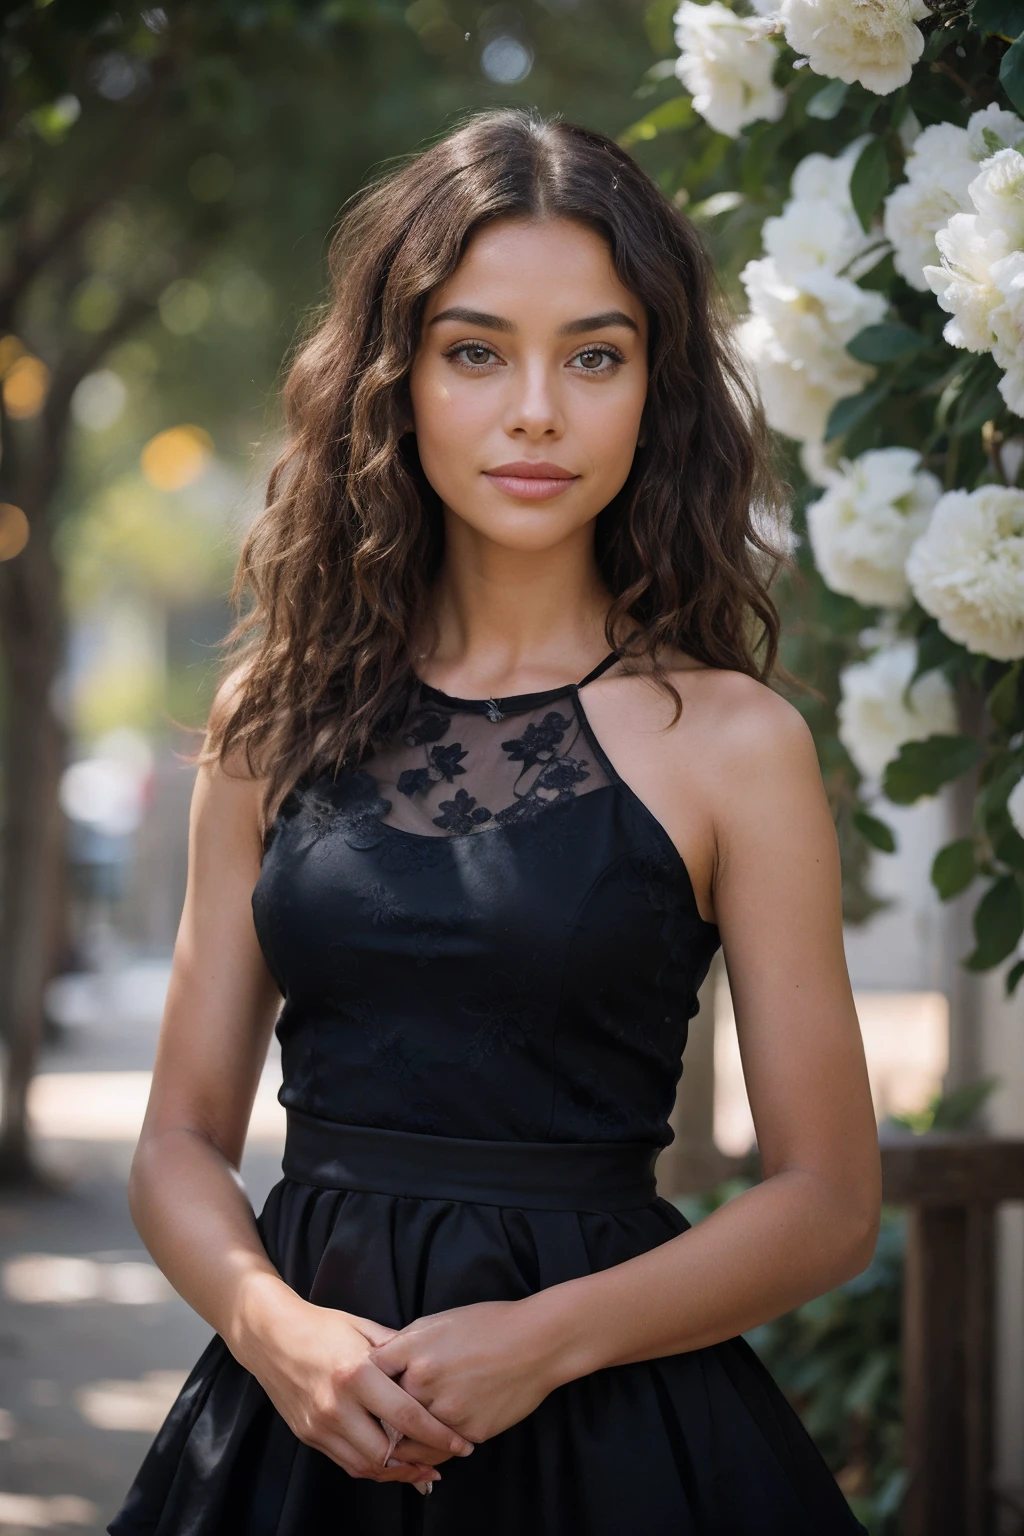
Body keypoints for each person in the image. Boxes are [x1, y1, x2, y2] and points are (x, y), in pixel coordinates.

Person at [108, 109, 880, 1535]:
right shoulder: (267, 721)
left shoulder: (736, 744)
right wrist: (277, 1333)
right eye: (477, 352)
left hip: (621, 1436)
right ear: (393, 385)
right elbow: (178, 1144)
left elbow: (828, 1198)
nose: (538, 408)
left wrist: (543, 1341)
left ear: (656, 391)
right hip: (298, 1435)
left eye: (595, 355)